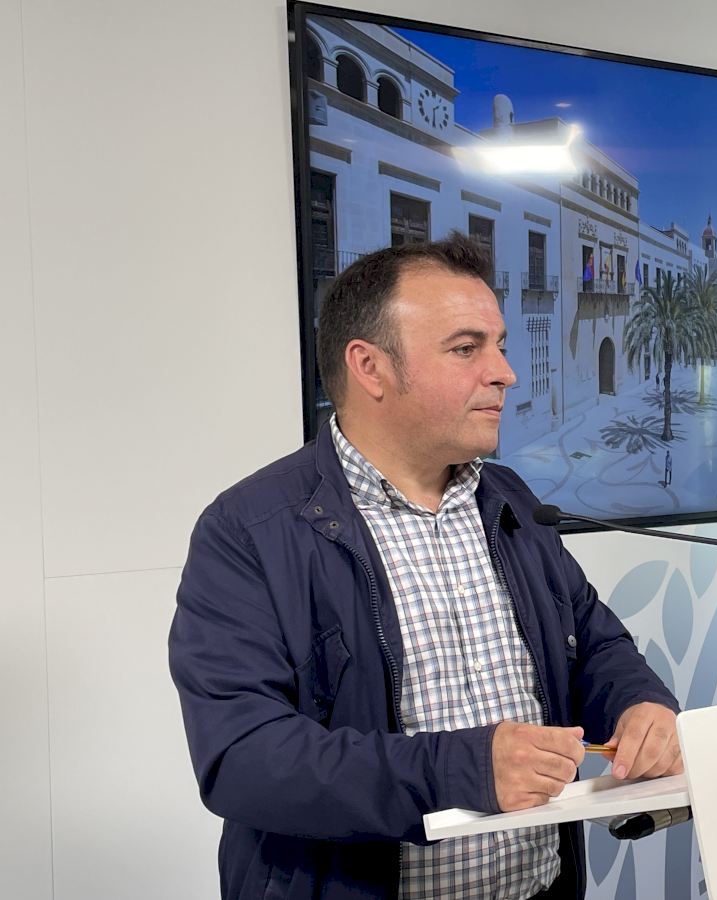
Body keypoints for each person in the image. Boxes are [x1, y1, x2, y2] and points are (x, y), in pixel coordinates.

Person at [169, 233, 682, 900]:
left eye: (501, 346)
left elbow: (594, 644)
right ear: (371, 367)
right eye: (467, 349)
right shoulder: (249, 531)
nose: (505, 373)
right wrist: (462, 770)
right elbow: (243, 758)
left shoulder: (510, 502)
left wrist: (640, 706)